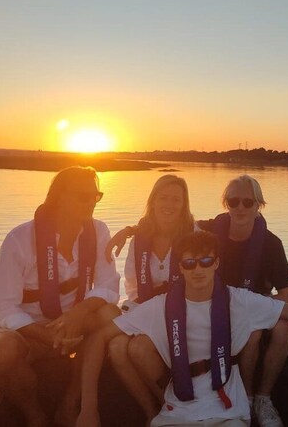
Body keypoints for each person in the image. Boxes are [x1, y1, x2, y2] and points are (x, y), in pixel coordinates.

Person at [77, 230, 288, 427]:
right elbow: (99, 339)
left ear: (216, 263)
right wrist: (88, 407)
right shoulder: (161, 307)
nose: (198, 270)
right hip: (177, 410)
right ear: (180, 267)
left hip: (227, 409)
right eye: (189, 263)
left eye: (206, 262)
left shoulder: (239, 301)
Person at [0, 166, 120, 427]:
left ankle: (70, 404)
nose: (91, 202)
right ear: (59, 196)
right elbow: (1, 308)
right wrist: (45, 334)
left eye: (96, 196)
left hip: (74, 326)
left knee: (111, 315)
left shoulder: (99, 232)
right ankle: (35, 416)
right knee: (1, 350)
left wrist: (77, 314)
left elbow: (109, 286)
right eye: (82, 196)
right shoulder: (20, 239)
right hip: (28, 330)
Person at [198, 175, 288, 427]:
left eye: (247, 202)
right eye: (233, 201)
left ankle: (261, 399)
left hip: (252, 305)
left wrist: (259, 307)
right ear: (225, 204)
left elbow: (287, 298)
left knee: (283, 328)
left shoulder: (272, 244)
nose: (240, 207)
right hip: (215, 306)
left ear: (258, 205)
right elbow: (170, 224)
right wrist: (132, 230)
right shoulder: (207, 232)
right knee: (250, 332)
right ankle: (244, 396)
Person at [105, 174, 196, 410]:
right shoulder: (140, 238)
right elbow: (132, 284)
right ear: (153, 201)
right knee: (115, 348)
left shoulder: (194, 235)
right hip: (144, 309)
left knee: (139, 348)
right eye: (163, 198)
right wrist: (144, 315)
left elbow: (199, 281)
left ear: (184, 204)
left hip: (183, 312)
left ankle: (171, 407)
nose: (169, 205)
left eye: (176, 199)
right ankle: (151, 410)